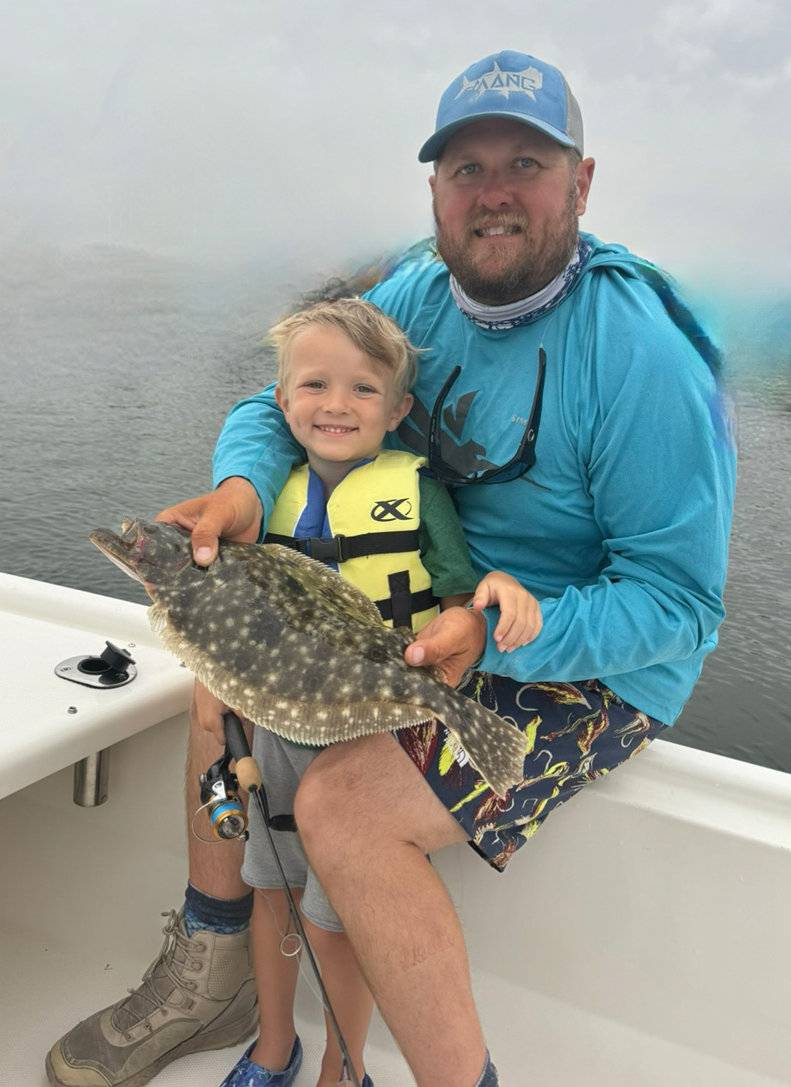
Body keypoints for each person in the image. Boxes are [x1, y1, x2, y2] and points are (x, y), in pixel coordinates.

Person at [46, 49, 736, 1087]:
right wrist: (241, 492)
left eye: (526, 164)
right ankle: (213, 965)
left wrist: (508, 629)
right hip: (422, 611)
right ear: (435, 190)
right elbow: (274, 402)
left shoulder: (643, 356)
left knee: (343, 806)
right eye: (466, 169)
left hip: (582, 649)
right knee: (217, 678)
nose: (493, 192)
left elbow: (681, 604)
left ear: (582, 183)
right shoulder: (419, 293)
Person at [215, 297, 539, 1087]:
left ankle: (344, 1066)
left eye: (363, 389)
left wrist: (489, 601)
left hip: (371, 731)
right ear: (281, 399)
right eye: (315, 385)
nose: (336, 404)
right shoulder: (265, 496)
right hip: (277, 729)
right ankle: (273, 1046)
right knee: (269, 887)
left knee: (334, 920)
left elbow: (459, 602)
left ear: (398, 410)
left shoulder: (418, 492)